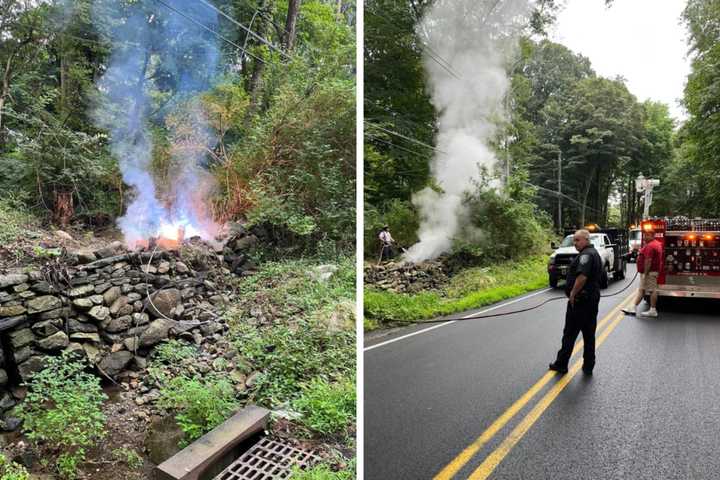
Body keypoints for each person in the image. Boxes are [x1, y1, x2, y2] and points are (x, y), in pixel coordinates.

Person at [549, 229, 603, 375]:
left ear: (586, 239)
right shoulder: (594, 253)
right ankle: (588, 365)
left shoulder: (586, 255)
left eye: (578, 240)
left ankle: (561, 364)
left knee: (570, 333)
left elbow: (582, 277)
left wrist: (573, 294)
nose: (575, 243)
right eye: (574, 240)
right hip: (591, 300)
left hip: (581, 301)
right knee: (589, 334)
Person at [622, 231, 662, 317]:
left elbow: (648, 261)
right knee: (642, 290)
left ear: (651, 236)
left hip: (649, 273)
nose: (644, 237)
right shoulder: (656, 244)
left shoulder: (651, 246)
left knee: (652, 290)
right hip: (649, 272)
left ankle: (653, 310)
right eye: (644, 235)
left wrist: (645, 273)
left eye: (646, 236)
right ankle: (633, 307)